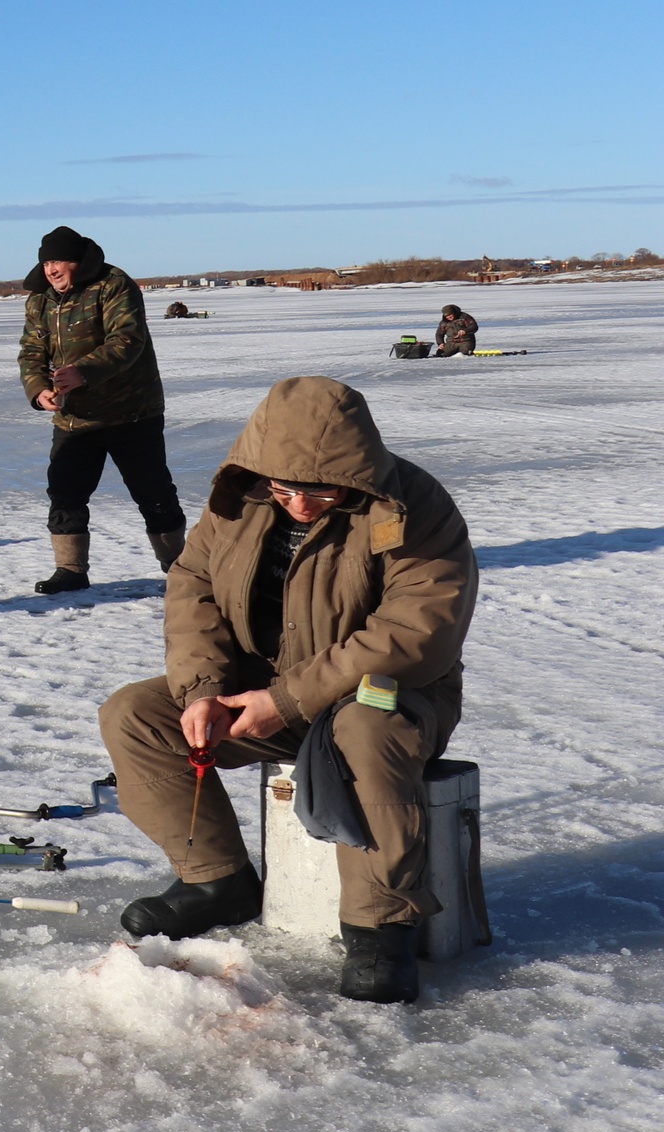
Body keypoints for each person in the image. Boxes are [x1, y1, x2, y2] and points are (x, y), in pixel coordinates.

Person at [97, 376, 476, 1003]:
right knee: (135, 714)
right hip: (255, 689)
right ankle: (215, 879)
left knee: (363, 730)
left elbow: (418, 630)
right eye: (284, 487)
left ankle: (380, 927)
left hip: (387, 692)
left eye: (320, 490)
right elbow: (193, 588)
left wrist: (288, 701)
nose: (299, 504)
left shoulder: (414, 507)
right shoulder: (238, 499)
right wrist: (202, 690)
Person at [17, 225, 184, 593]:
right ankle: (71, 569)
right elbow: (31, 352)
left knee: (153, 493)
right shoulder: (40, 300)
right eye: (46, 262)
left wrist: (84, 372)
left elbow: (127, 340)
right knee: (65, 493)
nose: (51, 269)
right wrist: (38, 389)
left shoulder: (113, 284)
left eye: (58, 261)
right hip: (75, 417)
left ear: (78, 261)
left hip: (131, 412)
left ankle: (180, 569)